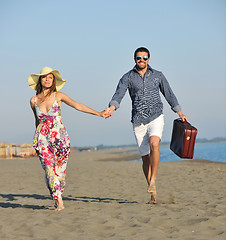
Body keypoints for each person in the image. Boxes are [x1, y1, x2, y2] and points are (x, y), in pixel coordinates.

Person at [105, 47, 188, 204]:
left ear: (149, 59)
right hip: (138, 120)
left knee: (154, 144)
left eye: (144, 57)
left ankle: (153, 180)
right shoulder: (127, 77)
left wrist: (180, 113)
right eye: (138, 58)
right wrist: (111, 108)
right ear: (135, 59)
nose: (141, 60)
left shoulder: (158, 75)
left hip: (156, 116)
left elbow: (169, 94)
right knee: (145, 158)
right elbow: (119, 95)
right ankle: (153, 193)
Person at [29, 67, 109, 211]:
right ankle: (59, 201)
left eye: (50, 77)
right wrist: (36, 138)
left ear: (53, 81)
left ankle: (57, 194)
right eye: (44, 77)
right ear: (40, 80)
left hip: (60, 138)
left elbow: (77, 105)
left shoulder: (58, 96)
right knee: (49, 169)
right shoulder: (33, 100)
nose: (47, 79)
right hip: (42, 139)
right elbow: (37, 120)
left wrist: (98, 113)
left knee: (60, 173)